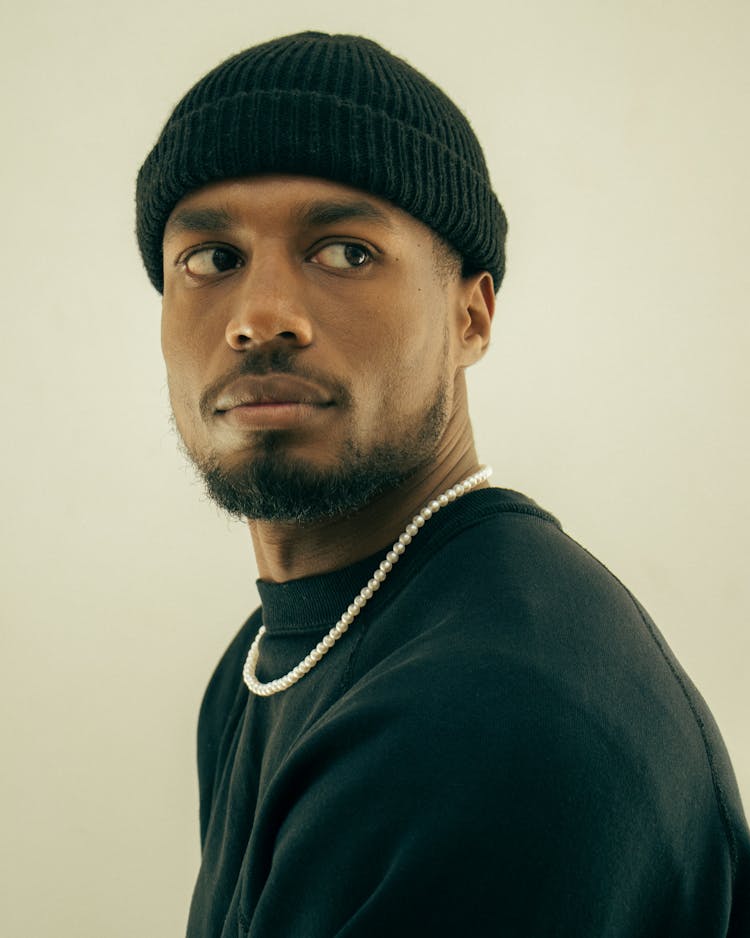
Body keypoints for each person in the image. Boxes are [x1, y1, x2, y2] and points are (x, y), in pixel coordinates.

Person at [135, 31, 749, 937]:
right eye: (212, 260)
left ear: (471, 313)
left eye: (343, 252)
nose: (261, 316)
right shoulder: (265, 662)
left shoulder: (486, 718)